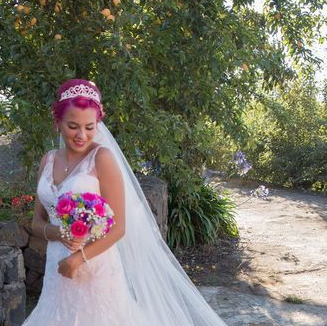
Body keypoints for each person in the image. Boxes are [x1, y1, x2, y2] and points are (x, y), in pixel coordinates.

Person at [23, 78, 230, 326]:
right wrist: (56, 232)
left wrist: (78, 258)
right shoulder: (47, 160)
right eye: (73, 126)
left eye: (90, 127)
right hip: (57, 269)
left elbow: (119, 227)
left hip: (95, 267)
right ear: (58, 123)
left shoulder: (102, 158)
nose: (81, 135)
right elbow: (37, 221)